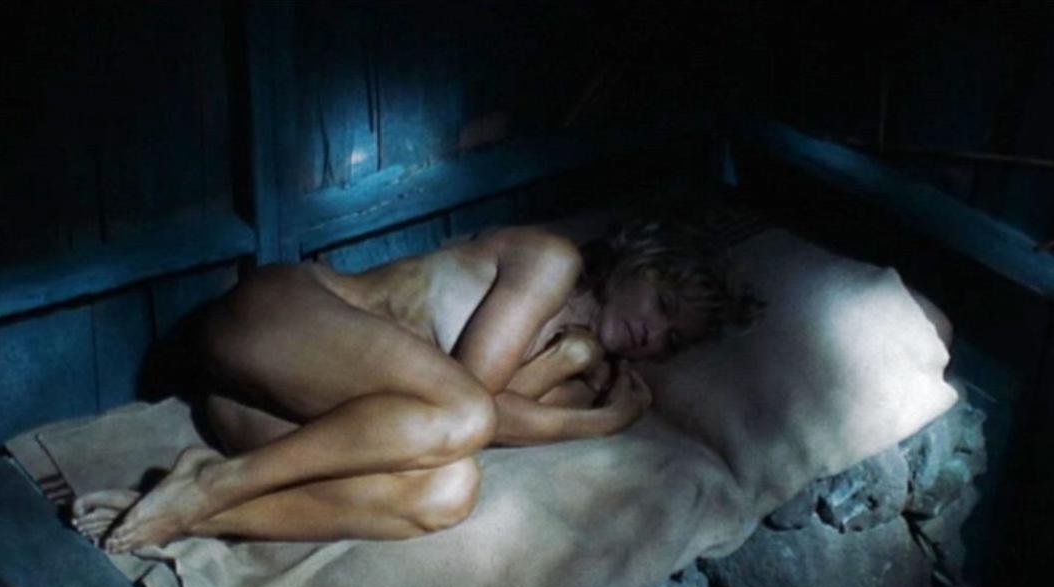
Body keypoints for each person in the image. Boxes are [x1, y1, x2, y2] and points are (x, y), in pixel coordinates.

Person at [71, 213, 766, 552]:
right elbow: (476, 402)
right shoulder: (549, 261)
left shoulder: (587, 372)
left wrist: (570, 369)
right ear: (640, 259)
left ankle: (200, 508)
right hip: (272, 320)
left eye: (673, 339)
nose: (653, 333)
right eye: (663, 304)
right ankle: (217, 486)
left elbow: (477, 427)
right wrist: (601, 421)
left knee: (450, 488)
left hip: (256, 413)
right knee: (466, 415)